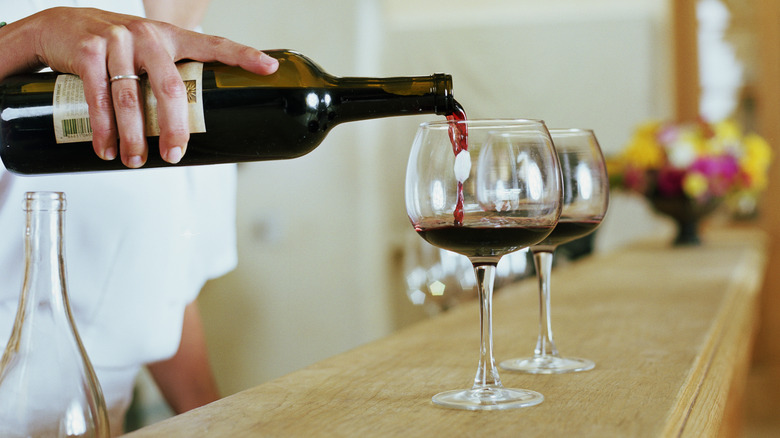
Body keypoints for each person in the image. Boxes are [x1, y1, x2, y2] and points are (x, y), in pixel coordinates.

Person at [0, 1, 278, 434]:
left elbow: (165, 291)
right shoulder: (52, 32)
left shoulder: (203, 75)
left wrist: (215, 420)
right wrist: (30, 37)